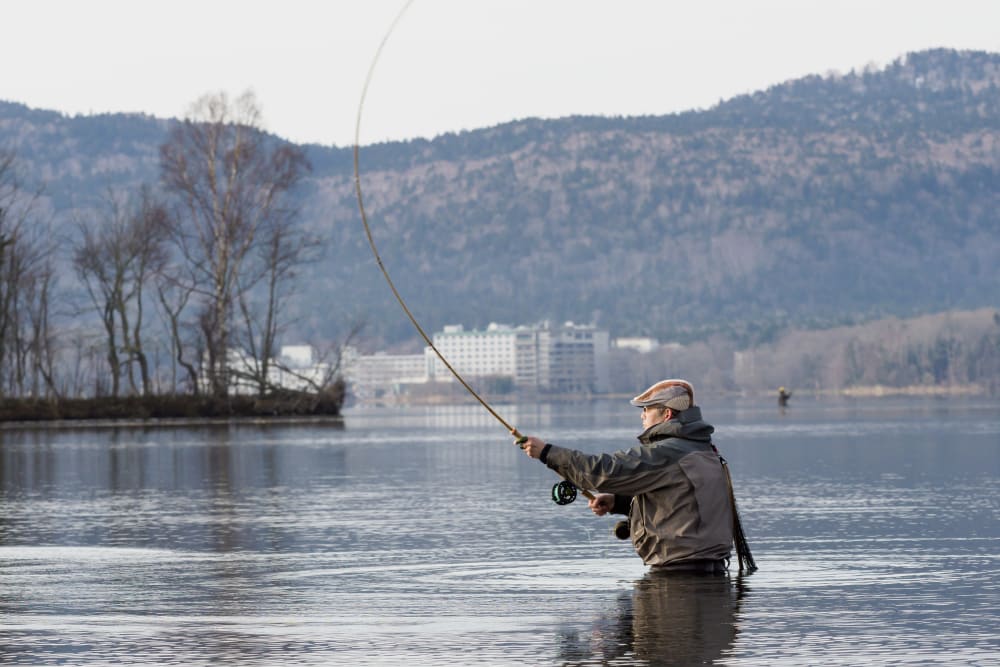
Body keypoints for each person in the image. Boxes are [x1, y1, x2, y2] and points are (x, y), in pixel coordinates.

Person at [517, 378, 738, 573]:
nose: (642, 416)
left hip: (679, 575)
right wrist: (618, 502)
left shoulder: (667, 453)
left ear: (667, 414)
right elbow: (681, 501)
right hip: (709, 571)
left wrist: (547, 453)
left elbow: (604, 472)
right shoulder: (703, 449)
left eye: (647, 409)